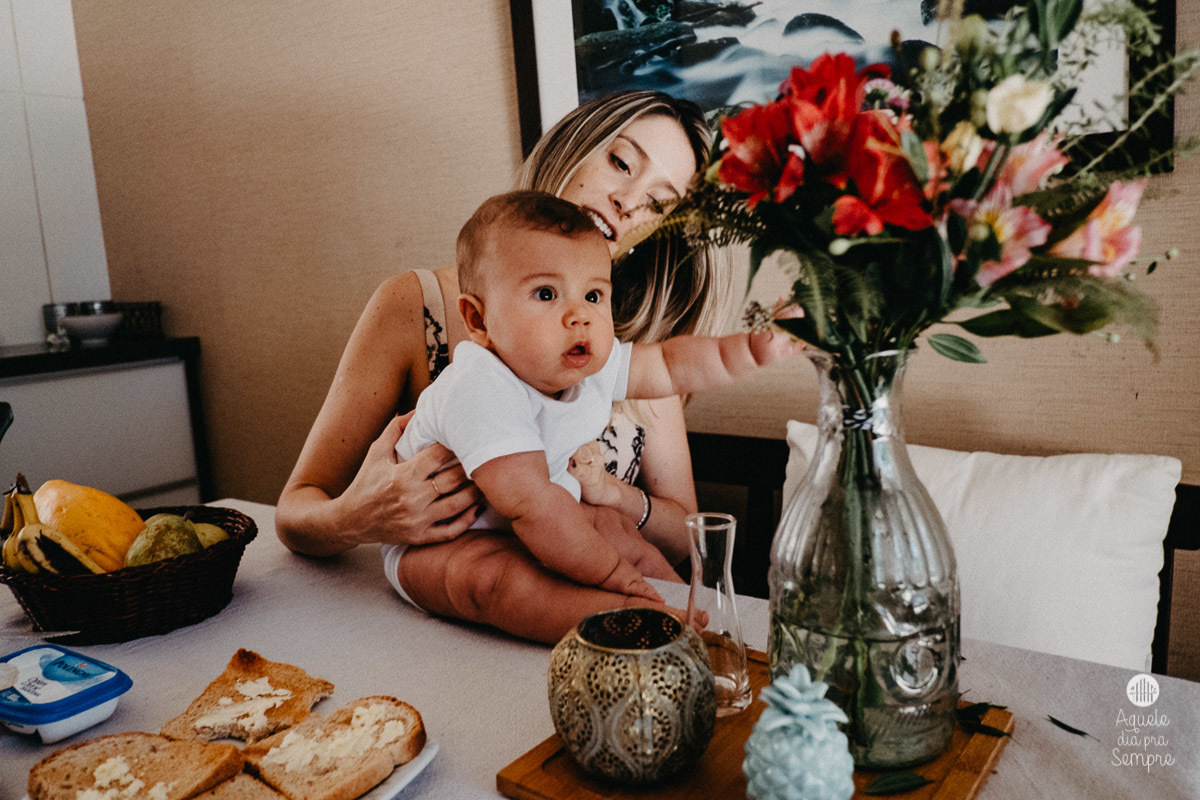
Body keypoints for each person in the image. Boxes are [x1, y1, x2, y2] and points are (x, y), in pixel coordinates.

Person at [275, 90, 734, 603]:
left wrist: (609, 497)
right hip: (465, 612)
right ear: (573, 145)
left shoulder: (631, 348)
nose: (628, 202)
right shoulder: (414, 305)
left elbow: (689, 542)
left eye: (657, 202)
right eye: (622, 162)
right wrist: (356, 515)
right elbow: (295, 514)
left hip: (599, 610)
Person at [385, 191, 801, 642]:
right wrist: (613, 576)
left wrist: (748, 351)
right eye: (546, 294)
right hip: (440, 538)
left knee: (611, 526)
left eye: (593, 295)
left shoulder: (587, 367)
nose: (579, 316)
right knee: (494, 583)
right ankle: (627, 617)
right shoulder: (478, 386)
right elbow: (533, 504)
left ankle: (686, 608)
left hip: (539, 515)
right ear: (479, 320)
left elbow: (669, 364)